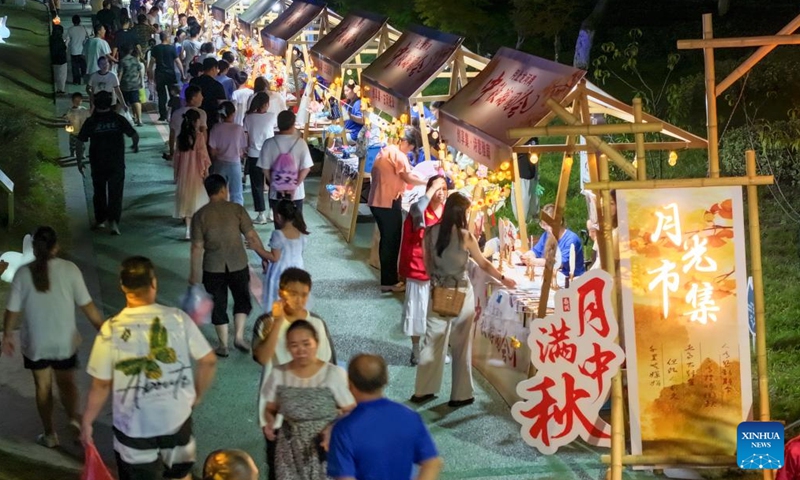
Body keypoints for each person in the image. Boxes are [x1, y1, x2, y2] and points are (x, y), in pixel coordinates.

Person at [81, 256, 217, 480]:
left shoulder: (111, 330)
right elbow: (208, 361)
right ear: (154, 283)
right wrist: (196, 396)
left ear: (123, 287)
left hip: (134, 428)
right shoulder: (178, 319)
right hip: (177, 420)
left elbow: (101, 384)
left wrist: (87, 421)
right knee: (181, 475)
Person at [1, 227, 103, 448]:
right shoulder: (70, 270)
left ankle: (50, 434)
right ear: (56, 247)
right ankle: (74, 421)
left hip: (36, 343)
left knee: (43, 387)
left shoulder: (23, 273)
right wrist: (105, 330)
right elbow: (89, 307)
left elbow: (11, 310)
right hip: (64, 341)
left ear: (34, 248)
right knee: (67, 383)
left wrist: (7, 334)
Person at [412, 193, 516, 407]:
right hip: (461, 291)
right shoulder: (465, 236)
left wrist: (437, 280)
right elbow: (483, 264)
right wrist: (504, 279)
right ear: (462, 213)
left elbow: (426, 262)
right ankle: (460, 394)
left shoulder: (431, 232)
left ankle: (424, 390)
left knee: (432, 340)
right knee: (461, 344)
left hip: (438, 291)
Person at [252, 268, 336, 480]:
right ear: (281, 292)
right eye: (293, 293)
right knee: (280, 469)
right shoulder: (266, 322)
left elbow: (330, 367)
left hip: (316, 414)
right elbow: (262, 357)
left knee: (317, 468)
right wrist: (278, 322)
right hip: (279, 413)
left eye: (304, 294)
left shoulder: (317, 323)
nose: (299, 299)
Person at [262, 321, 355, 480]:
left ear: (317, 343)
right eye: (294, 345)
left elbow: (352, 411)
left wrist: (332, 429)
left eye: (306, 344)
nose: (301, 350)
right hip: (289, 451)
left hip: (323, 447)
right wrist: (270, 423)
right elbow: (270, 408)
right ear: (288, 348)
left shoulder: (333, 374)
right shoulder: (278, 374)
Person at [190, 174, 270, 357]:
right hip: (238, 263)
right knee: (242, 299)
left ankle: (223, 345)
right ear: (224, 190)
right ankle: (239, 337)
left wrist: (194, 274)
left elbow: (196, 247)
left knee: (218, 304)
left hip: (212, 267)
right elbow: (251, 236)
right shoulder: (236, 209)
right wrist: (263, 255)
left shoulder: (200, 215)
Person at [328, 354, 443, 480]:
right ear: (386, 379)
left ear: (350, 384)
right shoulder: (409, 416)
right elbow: (432, 463)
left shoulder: (343, 429)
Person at [368, 127, 426, 293]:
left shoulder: (387, 150)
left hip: (378, 201)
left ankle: (388, 279)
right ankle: (389, 281)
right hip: (387, 202)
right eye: (412, 147)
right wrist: (427, 183)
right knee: (391, 242)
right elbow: (408, 177)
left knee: (387, 241)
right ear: (406, 142)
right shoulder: (398, 155)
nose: (411, 151)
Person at [398, 176, 447, 365]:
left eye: (443, 188)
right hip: (419, 267)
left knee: (436, 313)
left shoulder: (446, 212)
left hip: (440, 270)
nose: (440, 192)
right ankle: (415, 350)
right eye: (436, 188)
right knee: (417, 310)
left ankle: (433, 349)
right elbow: (418, 208)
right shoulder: (418, 209)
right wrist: (431, 189)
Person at [78, 91, 139, 235]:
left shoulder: (91, 121)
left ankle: (100, 219)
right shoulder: (118, 119)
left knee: (99, 192)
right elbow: (134, 134)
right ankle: (113, 222)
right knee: (115, 193)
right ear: (110, 102)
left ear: (96, 103)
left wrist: (79, 161)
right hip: (116, 162)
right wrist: (135, 146)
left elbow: (80, 141)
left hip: (97, 162)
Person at [258, 109, 314, 217]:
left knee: (279, 226)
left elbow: (264, 169)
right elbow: (306, 168)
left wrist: (276, 184)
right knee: (296, 226)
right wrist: (294, 185)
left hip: (276, 194)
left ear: (278, 124)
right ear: (293, 124)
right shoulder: (301, 143)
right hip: (296, 194)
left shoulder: (269, 143)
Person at [261, 199, 308, 309]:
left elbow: (274, 257)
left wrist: (257, 248)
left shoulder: (278, 234)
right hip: (298, 271)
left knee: (278, 304)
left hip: (281, 274)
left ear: (278, 216)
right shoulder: (302, 234)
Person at [522, 203, 586, 283]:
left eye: (549, 225)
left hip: (571, 281)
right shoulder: (547, 235)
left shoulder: (571, 240)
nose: (546, 228)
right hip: (553, 278)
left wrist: (534, 261)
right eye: (543, 225)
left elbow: (558, 263)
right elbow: (536, 251)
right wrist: (527, 256)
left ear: (560, 222)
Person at [175, 108, 211, 239]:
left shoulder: (181, 138)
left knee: (186, 201)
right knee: (198, 201)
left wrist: (177, 174)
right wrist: (205, 171)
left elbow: (177, 157)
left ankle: (188, 231)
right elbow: (203, 156)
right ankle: (199, 230)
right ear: (196, 121)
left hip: (184, 173)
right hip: (196, 172)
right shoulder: (199, 137)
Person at [243, 92, 276, 224]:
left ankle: (261, 215)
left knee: (257, 185)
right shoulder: (271, 117)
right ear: (266, 104)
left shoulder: (248, 118)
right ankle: (272, 212)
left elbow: (245, 136)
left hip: (253, 154)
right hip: (270, 154)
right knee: (272, 184)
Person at [208, 101, 246, 205]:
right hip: (234, 163)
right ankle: (237, 215)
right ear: (233, 114)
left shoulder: (216, 127)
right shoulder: (238, 128)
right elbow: (242, 149)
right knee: (237, 193)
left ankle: (219, 214)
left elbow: (212, 149)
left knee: (218, 192)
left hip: (220, 163)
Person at [149, 31, 183, 122]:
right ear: (167, 37)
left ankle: (162, 115)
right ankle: (172, 113)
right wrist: (182, 73)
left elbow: (151, 63)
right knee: (173, 95)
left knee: (161, 95)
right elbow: (178, 62)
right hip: (170, 74)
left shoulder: (155, 49)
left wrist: (150, 75)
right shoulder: (172, 48)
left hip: (159, 74)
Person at [166, 85, 205, 162]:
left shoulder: (176, 113)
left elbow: (172, 134)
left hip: (180, 151)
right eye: (200, 96)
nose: (202, 98)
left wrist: (171, 152)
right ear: (193, 98)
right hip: (196, 152)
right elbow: (204, 134)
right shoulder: (201, 113)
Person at [190, 58, 227, 131]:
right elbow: (222, 104)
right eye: (217, 69)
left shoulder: (193, 81)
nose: (217, 71)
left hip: (193, 115)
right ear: (213, 68)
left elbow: (184, 97)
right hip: (210, 118)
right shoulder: (217, 85)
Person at [118, 44, 145, 125]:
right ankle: (139, 120)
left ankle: (118, 119)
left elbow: (120, 73)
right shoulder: (135, 60)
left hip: (125, 85)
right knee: (136, 101)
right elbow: (140, 72)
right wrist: (140, 81)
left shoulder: (122, 61)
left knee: (121, 102)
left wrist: (117, 84)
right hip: (135, 84)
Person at [64, 92, 91, 170]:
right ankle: (72, 152)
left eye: (79, 101)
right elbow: (67, 118)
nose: (77, 102)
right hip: (73, 130)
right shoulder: (70, 110)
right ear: (72, 101)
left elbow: (88, 115)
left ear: (81, 101)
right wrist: (66, 121)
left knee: (81, 144)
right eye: (76, 101)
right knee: (72, 143)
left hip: (81, 131)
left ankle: (82, 153)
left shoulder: (83, 110)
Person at [67, 15, 89, 85]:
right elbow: (87, 37)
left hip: (74, 51)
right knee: (83, 65)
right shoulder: (83, 28)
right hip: (82, 51)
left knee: (75, 67)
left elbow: (67, 40)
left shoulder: (70, 30)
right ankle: (84, 77)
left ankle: (76, 80)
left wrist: (66, 47)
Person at [50, 25, 69, 95]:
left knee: (57, 74)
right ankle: (61, 89)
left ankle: (58, 88)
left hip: (54, 59)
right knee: (62, 75)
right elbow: (64, 49)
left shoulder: (52, 39)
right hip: (62, 60)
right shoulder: (60, 40)